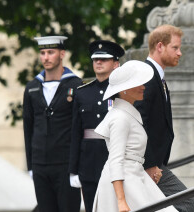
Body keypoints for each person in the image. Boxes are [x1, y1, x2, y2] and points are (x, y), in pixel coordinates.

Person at [92, 60, 178, 212]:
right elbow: (116, 160)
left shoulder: (126, 114)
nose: (144, 87)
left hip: (134, 177)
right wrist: (121, 201)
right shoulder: (120, 118)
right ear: (124, 89)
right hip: (124, 183)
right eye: (138, 83)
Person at [134, 24, 194, 211]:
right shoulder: (146, 75)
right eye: (175, 48)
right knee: (189, 203)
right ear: (160, 46)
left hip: (155, 165)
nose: (179, 53)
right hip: (147, 165)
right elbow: (137, 122)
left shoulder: (156, 76)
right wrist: (150, 164)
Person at [23, 36, 82, 212]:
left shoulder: (76, 85)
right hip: (40, 164)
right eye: (42, 53)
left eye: (51, 52)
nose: (46, 57)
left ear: (62, 54)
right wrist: (31, 165)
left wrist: (76, 167)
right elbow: (28, 128)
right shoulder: (32, 87)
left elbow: (78, 129)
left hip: (65, 164)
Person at [69, 40, 125, 212]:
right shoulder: (82, 92)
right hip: (89, 164)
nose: (98, 62)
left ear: (116, 63)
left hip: (114, 161)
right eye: (95, 59)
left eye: (104, 59)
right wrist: (73, 169)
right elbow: (76, 132)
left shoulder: (123, 91)